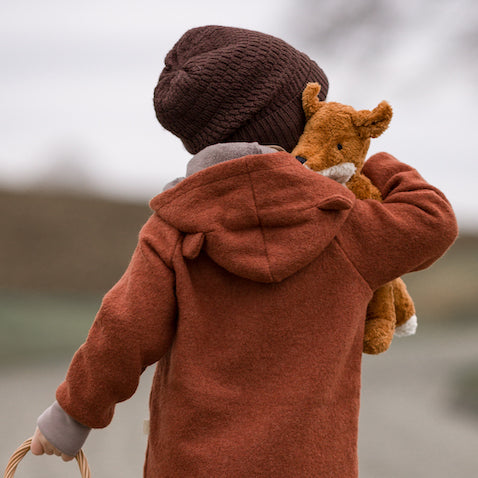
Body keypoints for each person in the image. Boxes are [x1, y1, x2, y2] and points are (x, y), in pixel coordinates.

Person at [30, 25, 458, 477]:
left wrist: (70, 418)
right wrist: (370, 159)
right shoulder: (345, 224)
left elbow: (123, 329)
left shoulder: (175, 226)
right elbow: (433, 220)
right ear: (298, 125)